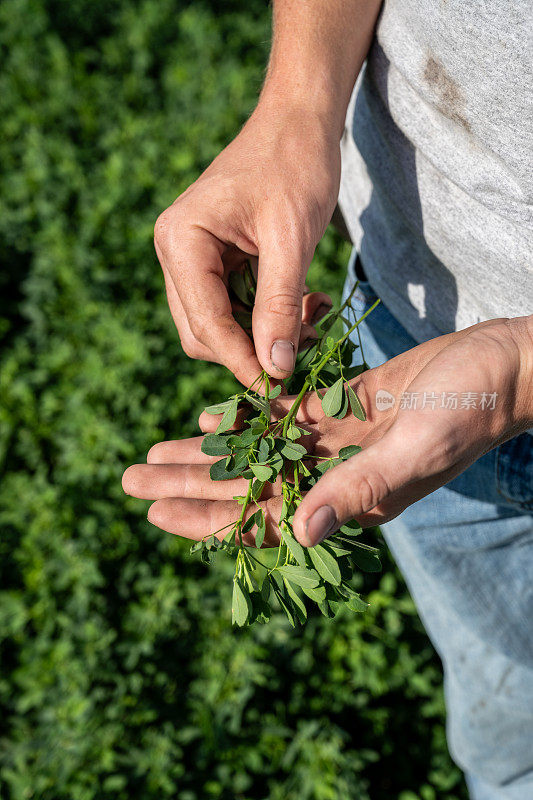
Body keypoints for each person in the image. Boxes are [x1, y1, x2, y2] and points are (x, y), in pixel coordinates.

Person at [122, 2, 533, 797]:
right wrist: (297, 102)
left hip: (466, 378)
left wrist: (516, 372)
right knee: (505, 719)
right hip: (407, 345)